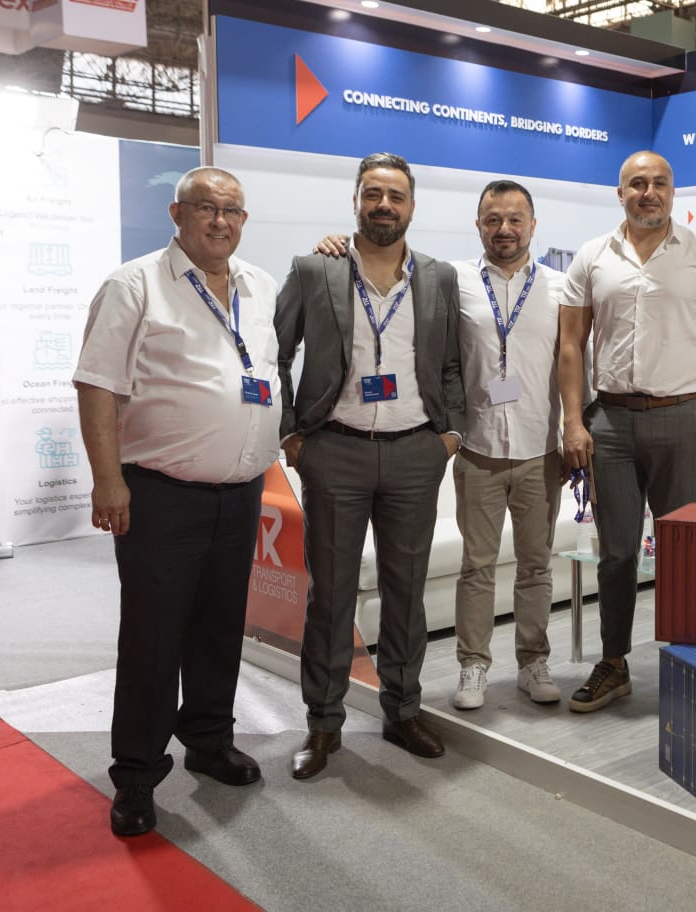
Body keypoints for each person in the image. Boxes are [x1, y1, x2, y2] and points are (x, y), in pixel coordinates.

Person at [74, 166, 278, 836]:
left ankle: (209, 741)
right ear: (177, 213)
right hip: (160, 495)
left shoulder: (259, 285)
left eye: (232, 210)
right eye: (206, 207)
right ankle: (136, 775)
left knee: (220, 627)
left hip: (240, 493)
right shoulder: (134, 284)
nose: (221, 221)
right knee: (153, 638)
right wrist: (108, 479)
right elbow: (97, 385)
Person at [276, 152, 463, 779]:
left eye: (396, 196)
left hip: (415, 452)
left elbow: (451, 364)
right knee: (330, 595)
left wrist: (450, 434)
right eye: (373, 194)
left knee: (405, 594)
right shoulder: (316, 269)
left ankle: (402, 711)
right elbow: (276, 354)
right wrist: (291, 435)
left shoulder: (438, 277)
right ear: (355, 200)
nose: (385, 206)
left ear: (412, 206)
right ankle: (323, 723)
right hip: (335, 451)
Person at [558, 150, 696, 712]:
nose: (650, 192)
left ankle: (690, 661)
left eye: (660, 183)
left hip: (681, 417)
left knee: (685, 552)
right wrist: (572, 420)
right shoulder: (593, 256)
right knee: (617, 554)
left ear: (673, 190)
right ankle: (614, 662)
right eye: (638, 183)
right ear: (620, 193)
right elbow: (570, 344)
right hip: (611, 423)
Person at [449, 181, 566, 709]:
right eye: (493, 219)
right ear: (478, 225)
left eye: (515, 219)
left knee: (536, 566)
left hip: (541, 451)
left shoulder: (560, 287)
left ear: (532, 226)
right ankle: (473, 666)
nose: (505, 229)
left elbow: (575, 365)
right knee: (476, 566)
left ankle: (532, 661)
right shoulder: (454, 282)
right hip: (478, 452)